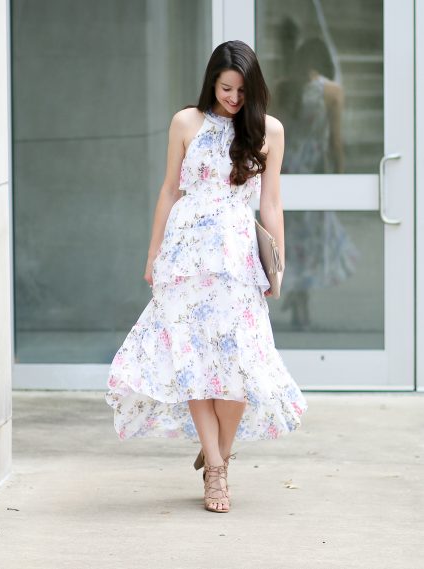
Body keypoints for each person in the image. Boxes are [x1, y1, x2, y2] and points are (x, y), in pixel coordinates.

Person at [105, 40, 308, 513]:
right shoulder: (185, 123)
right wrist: (153, 252)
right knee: (194, 360)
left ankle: (217, 445)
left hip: (237, 258)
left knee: (236, 366)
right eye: (224, 88)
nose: (232, 98)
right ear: (211, 82)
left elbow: (271, 203)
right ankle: (216, 469)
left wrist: (277, 263)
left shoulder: (269, 131)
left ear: (253, 89)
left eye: (240, 90)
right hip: (185, 257)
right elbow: (169, 190)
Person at [273, 36, 359, 329]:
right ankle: (300, 300)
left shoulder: (283, 88)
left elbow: (270, 135)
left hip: (285, 171)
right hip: (313, 170)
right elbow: (336, 142)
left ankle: (298, 297)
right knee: (309, 240)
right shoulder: (332, 92)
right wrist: (341, 177)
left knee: (291, 239)